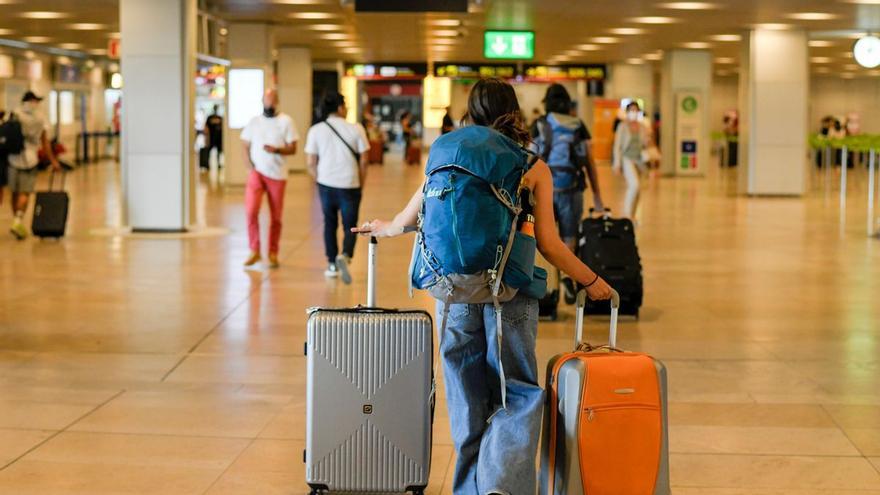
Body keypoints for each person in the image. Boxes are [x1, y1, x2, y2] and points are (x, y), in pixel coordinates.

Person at [353, 77, 612, 495]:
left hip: (451, 291)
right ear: (513, 111)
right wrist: (592, 280)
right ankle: (501, 488)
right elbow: (548, 244)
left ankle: (471, 489)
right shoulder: (531, 165)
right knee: (518, 395)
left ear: (470, 112)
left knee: (466, 400)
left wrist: (383, 228)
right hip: (509, 294)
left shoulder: (446, 152)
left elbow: (411, 216)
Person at [530, 84, 605, 304]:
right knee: (569, 237)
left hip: (544, 189)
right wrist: (598, 195)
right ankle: (566, 277)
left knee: (545, 238)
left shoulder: (540, 124)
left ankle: (551, 286)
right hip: (572, 189)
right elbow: (588, 161)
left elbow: (530, 159)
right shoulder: (578, 125)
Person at [305, 91, 369, 284]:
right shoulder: (356, 128)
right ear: (341, 108)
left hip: (326, 184)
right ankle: (346, 255)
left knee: (329, 223)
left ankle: (332, 264)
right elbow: (365, 160)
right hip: (350, 184)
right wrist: (360, 183)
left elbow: (310, 162)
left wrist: (320, 179)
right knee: (351, 225)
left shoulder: (316, 130)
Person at [240, 88, 299, 268]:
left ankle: (273, 252)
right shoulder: (254, 122)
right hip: (257, 173)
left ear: (277, 102)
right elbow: (244, 144)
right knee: (251, 211)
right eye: (267, 100)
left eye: (272, 101)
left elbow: (293, 148)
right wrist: (249, 165)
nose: (269, 104)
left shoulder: (286, 121)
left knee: (276, 216)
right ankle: (254, 250)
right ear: (262, 101)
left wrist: (277, 150)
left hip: (277, 174)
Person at [8, 92, 60, 240]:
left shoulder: (15, 114)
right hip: (30, 159)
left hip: (12, 158)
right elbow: (45, 142)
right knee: (25, 192)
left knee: (14, 191)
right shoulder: (40, 117)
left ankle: (16, 221)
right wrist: (53, 161)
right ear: (32, 101)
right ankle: (18, 220)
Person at [613, 101, 650, 220]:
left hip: (639, 160)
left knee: (638, 190)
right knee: (634, 185)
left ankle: (633, 216)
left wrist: (648, 139)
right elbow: (617, 146)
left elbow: (645, 143)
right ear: (627, 112)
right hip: (627, 159)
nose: (633, 113)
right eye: (631, 110)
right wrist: (617, 163)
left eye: (636, 110)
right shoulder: (622, 126)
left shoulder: (642, 126)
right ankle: (627, 215)